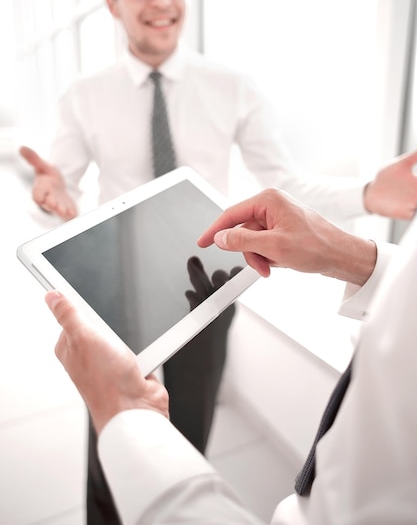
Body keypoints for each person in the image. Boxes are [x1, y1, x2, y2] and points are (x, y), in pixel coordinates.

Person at [19, 0, 417, 524]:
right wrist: (48, 188)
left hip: (204, 284)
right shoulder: (84, 94)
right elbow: (61, 182)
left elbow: (281, 185)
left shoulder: (231, 86)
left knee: (185, 431)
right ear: (111, 0)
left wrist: (369, 195)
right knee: (110, 440)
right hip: (114, 291)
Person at [44, 178, 417, 524]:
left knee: (184, 421)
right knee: (107, 447)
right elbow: (62, 178)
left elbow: (279, 176)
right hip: (120, 277)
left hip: (207, 279)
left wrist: (126, 414)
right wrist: (351, 254)